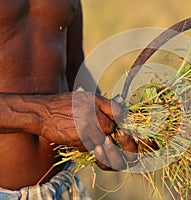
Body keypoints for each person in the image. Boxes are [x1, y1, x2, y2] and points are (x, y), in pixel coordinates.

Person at [0, 0, 137, 199]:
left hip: (64, 186)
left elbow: (74, 65)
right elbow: (47, 115)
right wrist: (44, 116)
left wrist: (113, 127)